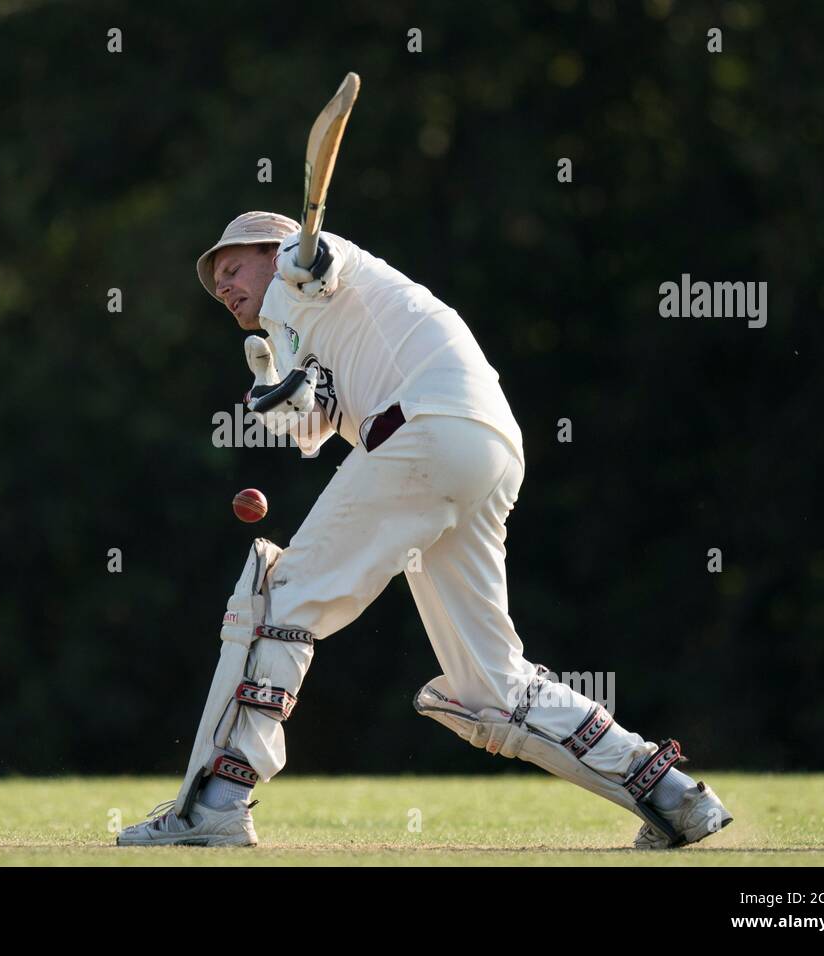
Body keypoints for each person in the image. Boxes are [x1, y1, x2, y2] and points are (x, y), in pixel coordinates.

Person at [117, 211, 733, 849]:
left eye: (232, 268)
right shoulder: (298, 327)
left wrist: (311, 255)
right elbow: (316, 424)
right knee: (488, 684)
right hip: (483, 445)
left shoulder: (314, 267)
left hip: (425, 430)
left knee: (279, 597)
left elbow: (324, 261)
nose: (223, 287)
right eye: (216, 282)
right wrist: (286, 401)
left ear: (275, 252)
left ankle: (216, 802)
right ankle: (668, 792)